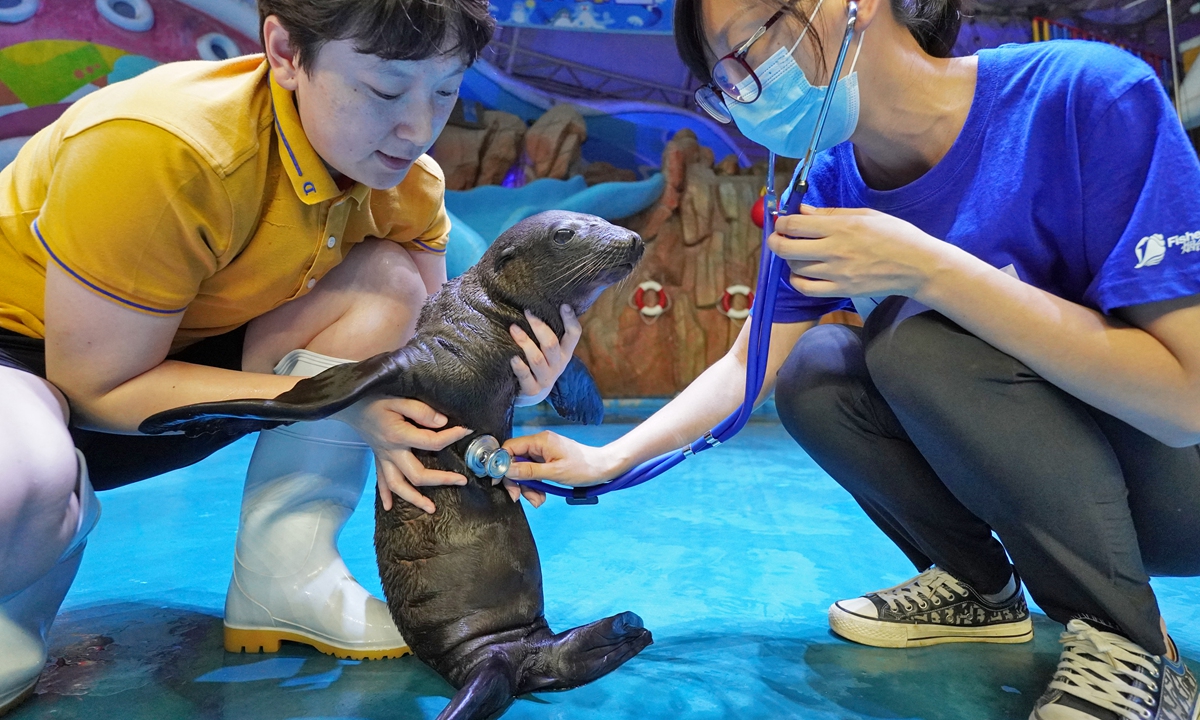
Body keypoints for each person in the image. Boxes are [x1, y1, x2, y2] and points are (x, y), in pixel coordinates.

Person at [501, 0, 1200, 716]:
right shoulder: (827, 182)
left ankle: (1137, 648)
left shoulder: (1086, 95)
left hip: (1173, 484)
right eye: (727, 78)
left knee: (916, 341)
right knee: (819, 370)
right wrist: (605, 461)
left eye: (753, 44)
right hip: (1045, 498)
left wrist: (930, 271)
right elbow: (748, 370)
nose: (749, 89)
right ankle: (978, 587)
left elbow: (1185, 400)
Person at [0, 0, 573, 713]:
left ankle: (287, 573)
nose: (417, 126)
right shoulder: (160, 145)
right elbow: (98, 384)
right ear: (285, 50)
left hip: (185, 370)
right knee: (25, 480)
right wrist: (346, 398)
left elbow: (430, 371)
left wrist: (517, 384)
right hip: (32, 359)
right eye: (385, 89)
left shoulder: (407, 184)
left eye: (446, 89)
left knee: (388, 282)